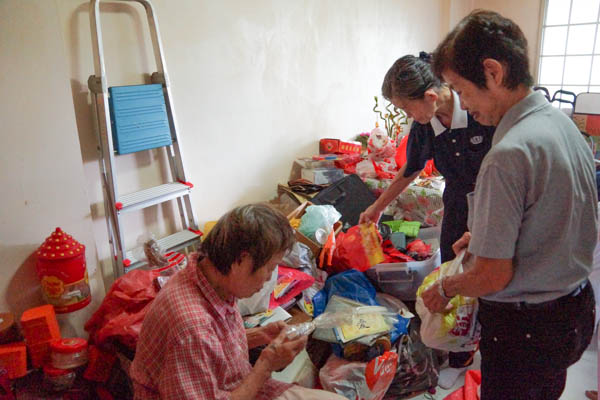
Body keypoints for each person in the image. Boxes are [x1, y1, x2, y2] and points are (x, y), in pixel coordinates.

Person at [421, 10, 597, 400]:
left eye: (462, 89)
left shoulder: (508, 152)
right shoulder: (561, 123)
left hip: (527, 329)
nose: (464, 102)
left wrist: (446, 288)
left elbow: (493, 276)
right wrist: (484, 234)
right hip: (572, 308)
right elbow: (554, 217)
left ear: (493, 72)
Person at [359, 52, 494, 389]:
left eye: (407, 109)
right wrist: (378, 207)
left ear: (431, 96)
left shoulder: (480, 110)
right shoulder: (426, 125)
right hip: (457, 204)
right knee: (453, 274)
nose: (408, 117)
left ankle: (490, 348)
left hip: (495, 203)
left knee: (489, 277)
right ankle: (460, 352)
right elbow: (411, 169)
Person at [130, 203, 345, 400]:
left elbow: (214, 345)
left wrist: (261, 335)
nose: (270, 278)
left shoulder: (207, 275)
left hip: (234, 385)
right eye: (270, 269)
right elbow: (201, 340)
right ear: (241, 260)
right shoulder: (192, 327)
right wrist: (266, 364)